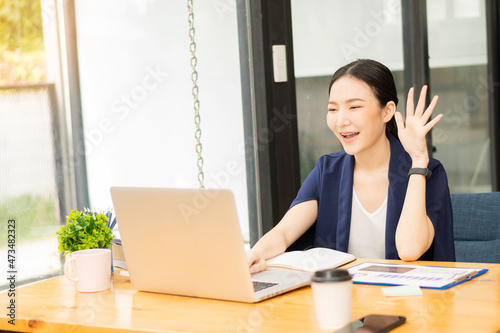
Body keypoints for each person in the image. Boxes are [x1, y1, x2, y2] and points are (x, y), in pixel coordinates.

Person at [247, 59, 455, 274]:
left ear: (387, 111)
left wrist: (419, 160)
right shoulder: (327, 171)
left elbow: (409, 250)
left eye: (354, 107)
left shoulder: (429, 172)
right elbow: (283, 233)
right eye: (333, 109)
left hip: (407, 300)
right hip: (342, 295)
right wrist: (254, 254)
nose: (341, 121)